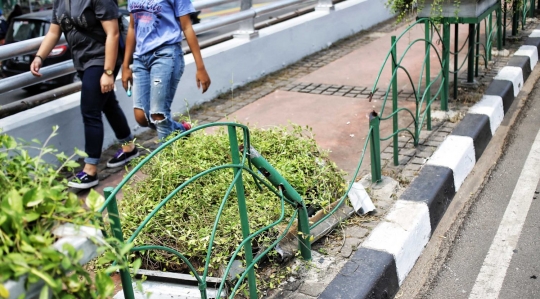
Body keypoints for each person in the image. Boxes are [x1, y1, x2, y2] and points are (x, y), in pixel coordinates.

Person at [30, 0, 139, 189]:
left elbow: (112, 33)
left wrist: (108, 72)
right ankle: (129, 148)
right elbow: (54, 32)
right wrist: (39, 57)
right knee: (108, 104)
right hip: (81, 61)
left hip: (101, 59)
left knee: (90, 111)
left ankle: (90, 170)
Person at [121, 0, 211, 143]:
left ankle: (167, 162)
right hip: (140, 59)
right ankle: (181, 130)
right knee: (142, 117)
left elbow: (187, 27)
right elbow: (132, 27)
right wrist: (125, 65)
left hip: (166, 54)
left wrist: (200, 67)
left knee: (158, 115)